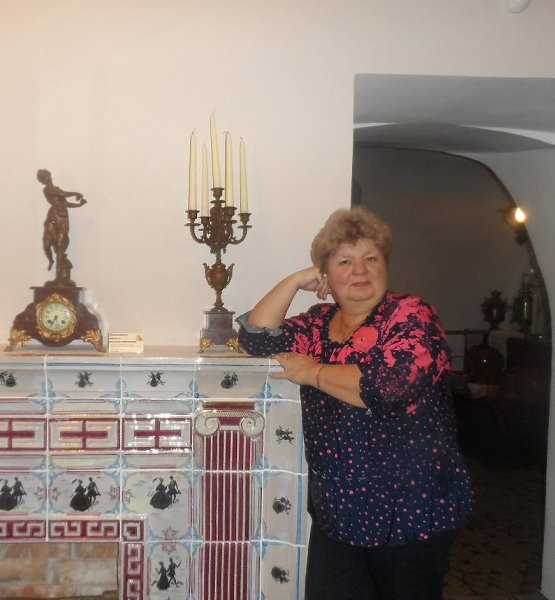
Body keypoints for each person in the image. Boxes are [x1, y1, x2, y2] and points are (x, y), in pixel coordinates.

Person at [237, 207, 473, 600]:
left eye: (371, 258)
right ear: (326, 275)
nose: (360, 270)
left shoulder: (411, 315)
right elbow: (256, 339)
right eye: (344, 261)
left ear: (385, 265)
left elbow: (389, 387)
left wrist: (313, 372)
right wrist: (294, 280)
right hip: (340, 512)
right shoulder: (317, 322)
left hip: (410, 510)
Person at [37, 168, 87, 284]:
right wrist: (76, 193)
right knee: (46, 244)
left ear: (49, 176)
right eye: (43, 177)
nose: (45, 178)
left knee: (60, 246)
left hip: (63, 219)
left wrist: (79, 205)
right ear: (42, 180)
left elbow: (66, 203)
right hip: (52, 217)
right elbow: (61, 194)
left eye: (46, 175)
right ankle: (51, 260)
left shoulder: (57, 189)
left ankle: (58, 276)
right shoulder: (47, 190)